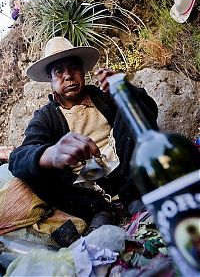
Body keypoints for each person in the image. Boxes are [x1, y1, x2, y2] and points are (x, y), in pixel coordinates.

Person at [9, 37, 158, 233]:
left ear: (83, 72)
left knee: (132, 105)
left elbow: (149, 111)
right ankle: (99, 210)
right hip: (84, 187)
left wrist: (123, 90)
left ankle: (133, 197)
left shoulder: (103, 95)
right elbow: (17, 158)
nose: (69, 76)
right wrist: (51, 154)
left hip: (125, 171)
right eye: (59, 71)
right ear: (50, 81)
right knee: (32, 167)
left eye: (74, 68)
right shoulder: (46, 116)